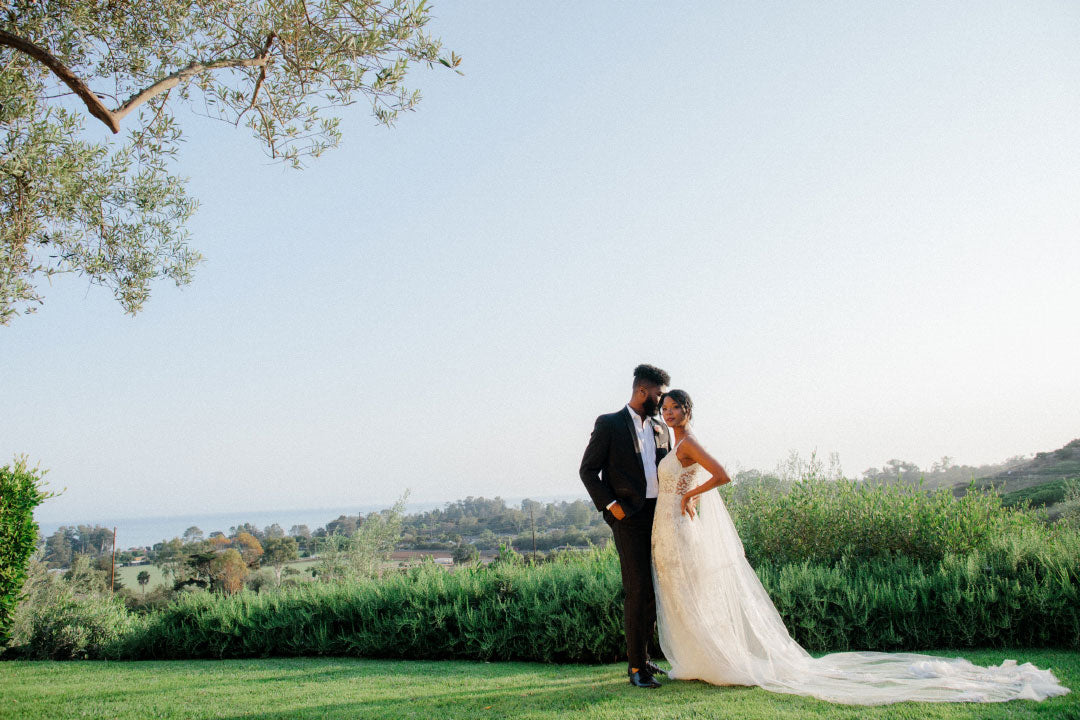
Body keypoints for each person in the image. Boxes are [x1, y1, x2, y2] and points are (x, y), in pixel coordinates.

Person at [651, 389, 1070, 705]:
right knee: (681, 594)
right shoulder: (673, 443)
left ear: (688, 412)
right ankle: (695, 660)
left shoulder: (687, 443)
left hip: (680, 526)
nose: (669, 413)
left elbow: (722, 474)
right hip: (666, 529)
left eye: (675, 408)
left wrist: (690, 496)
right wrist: (685, 495)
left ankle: (715, 658)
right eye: (665, 409)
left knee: (693, 592)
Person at [580, 364, 672, 688]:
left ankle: (646, 659)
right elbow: (588, 471)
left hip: (659, 516)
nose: (662, 402)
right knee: (638, 590)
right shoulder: (609, 424)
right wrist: (610, 507)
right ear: (642, 391)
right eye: (659, 395)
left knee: (652, 593)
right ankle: (635, 669)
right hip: (628, 518)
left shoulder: (662, 428)